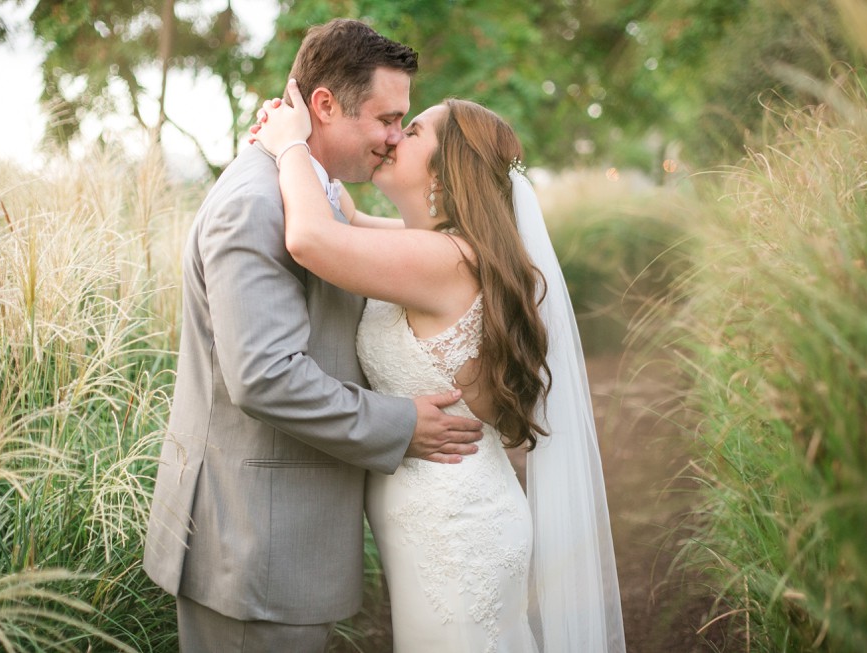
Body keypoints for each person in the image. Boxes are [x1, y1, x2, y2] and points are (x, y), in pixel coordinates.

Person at [142, 19, 485, 653]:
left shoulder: (314, 194)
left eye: (403, 123)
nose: (391, 138)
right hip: (253, 550)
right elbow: (265, 376)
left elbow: (351, 238)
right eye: (387, 119)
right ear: (324, 106)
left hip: (283, 544)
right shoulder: (257, 203)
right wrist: (400, 422)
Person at [254, 81, 626, 652]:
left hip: (456, 534)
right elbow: (343, 215)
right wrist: (306, 124)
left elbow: (310, 236)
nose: (395, 136)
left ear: (446, 173)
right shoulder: (433, 247)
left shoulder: (447, 259)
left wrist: (287, 148)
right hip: (439, 525)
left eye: (414, 129)